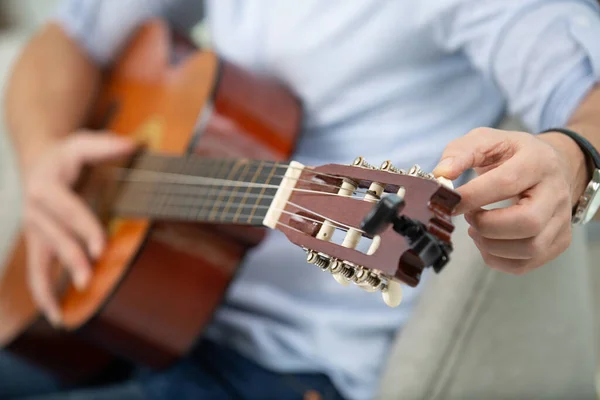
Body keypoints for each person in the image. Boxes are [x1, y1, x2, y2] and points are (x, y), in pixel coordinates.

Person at [3, 0, 600, 399]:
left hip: (280, 372)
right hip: (128, 315)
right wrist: (44, 161)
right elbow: (65, 40)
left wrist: (573, 159)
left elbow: (587, 95)